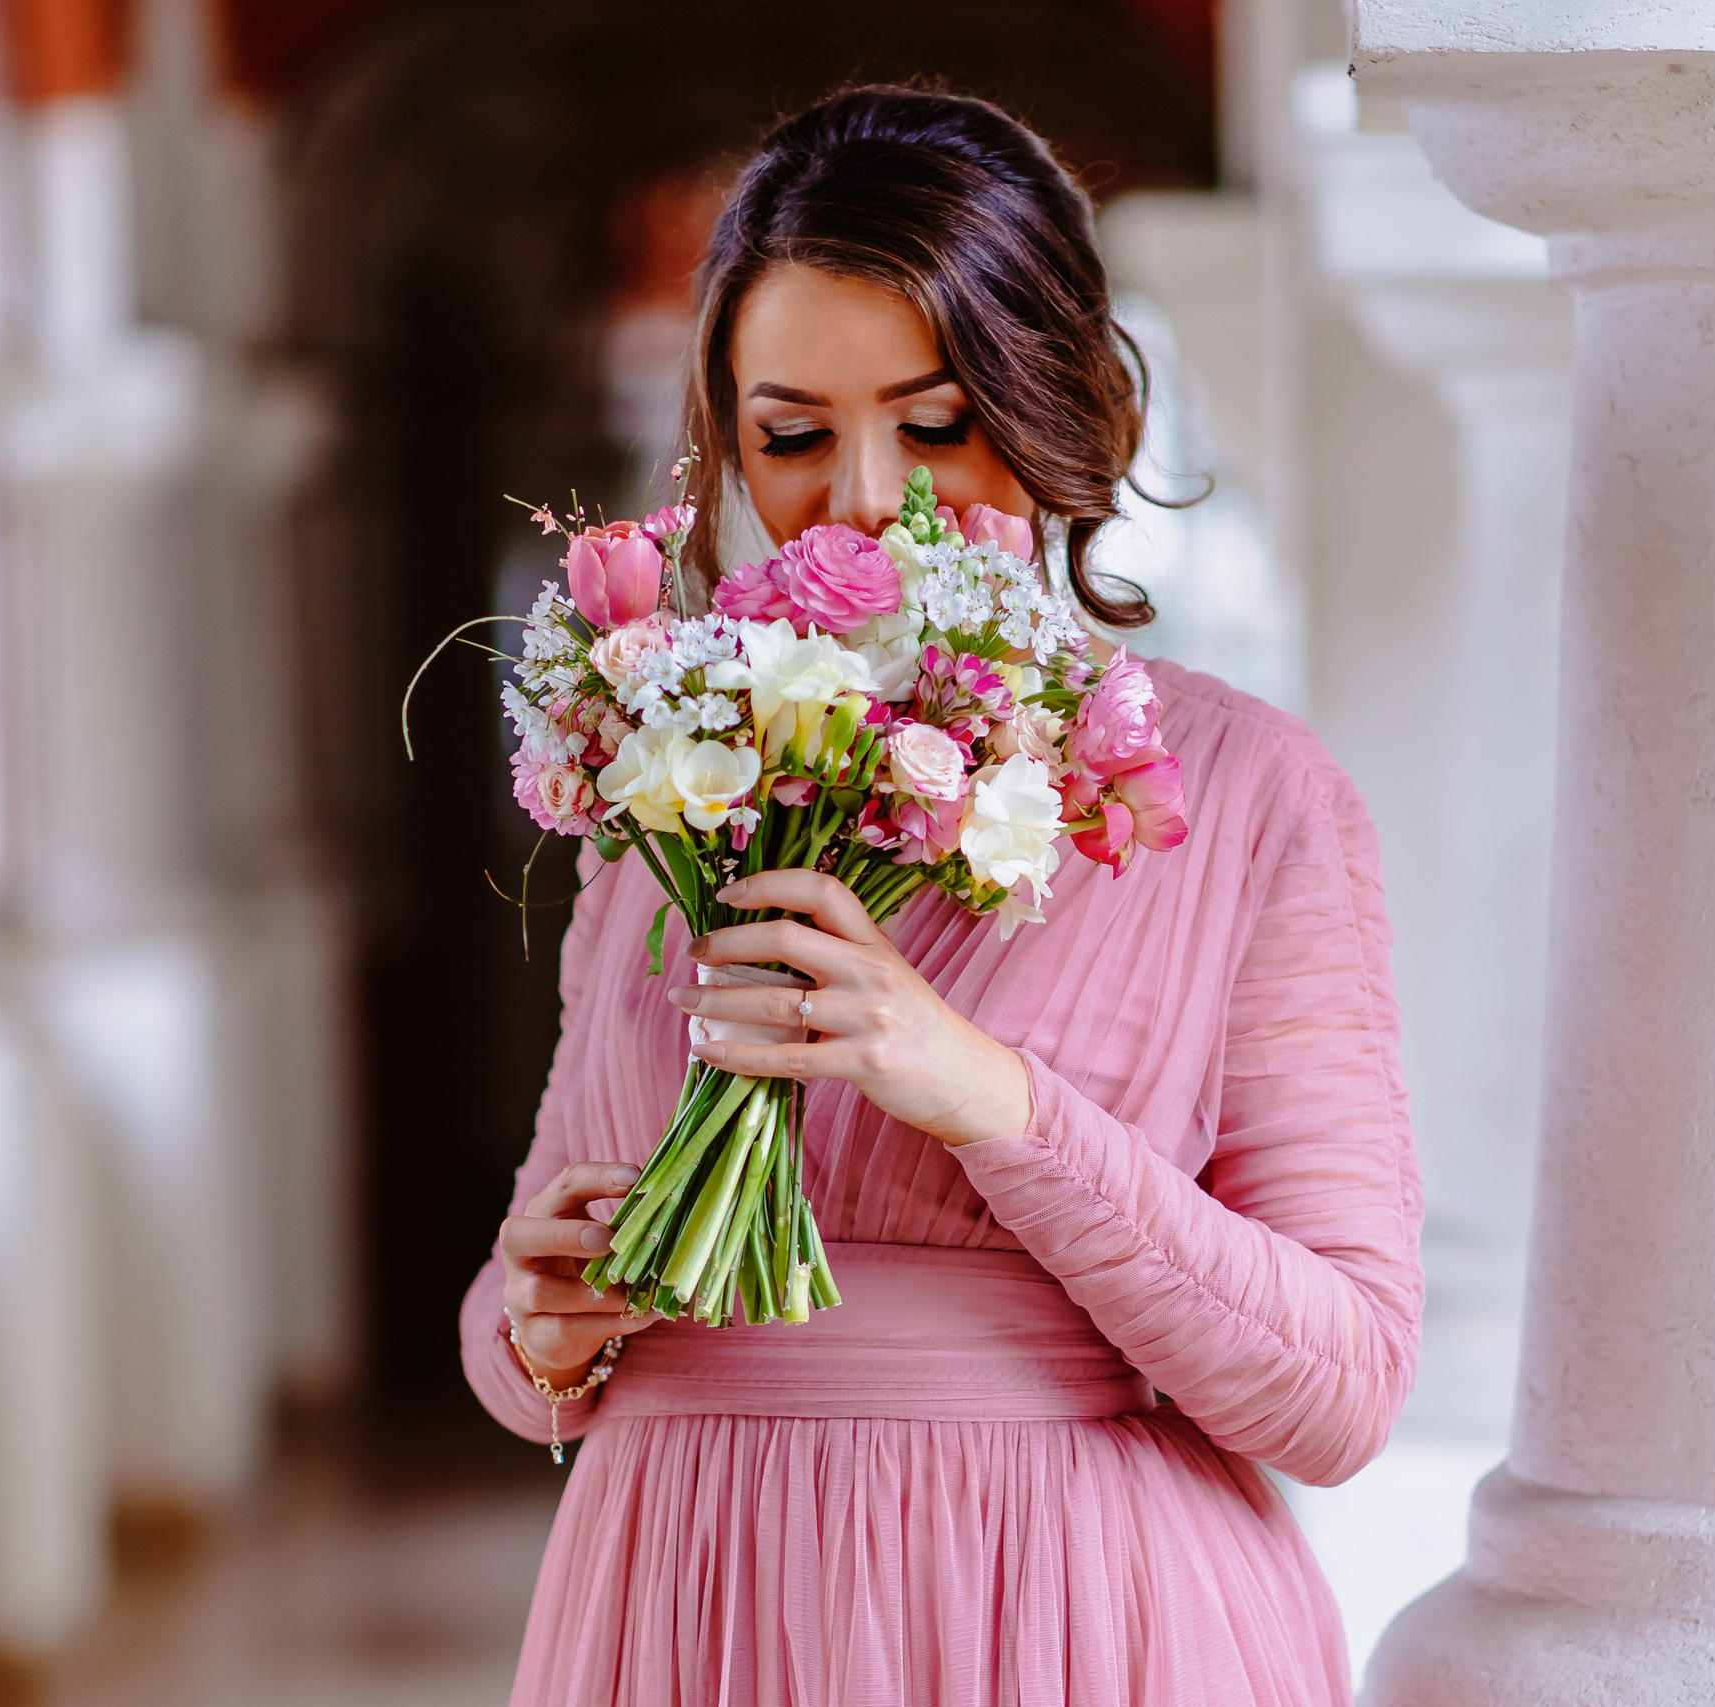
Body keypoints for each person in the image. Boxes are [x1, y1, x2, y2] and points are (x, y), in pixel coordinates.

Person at [462, 85, 1421, 1706]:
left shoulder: (1249, 794)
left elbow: (1339, 1392)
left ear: (1059, 400)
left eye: (937, 420)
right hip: (685, 1599)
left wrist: (984, 1097)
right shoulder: (669, 790)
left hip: (1073, 1617)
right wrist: (541, 1324)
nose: (864, 500)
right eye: (791, 434)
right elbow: (531, 1320)